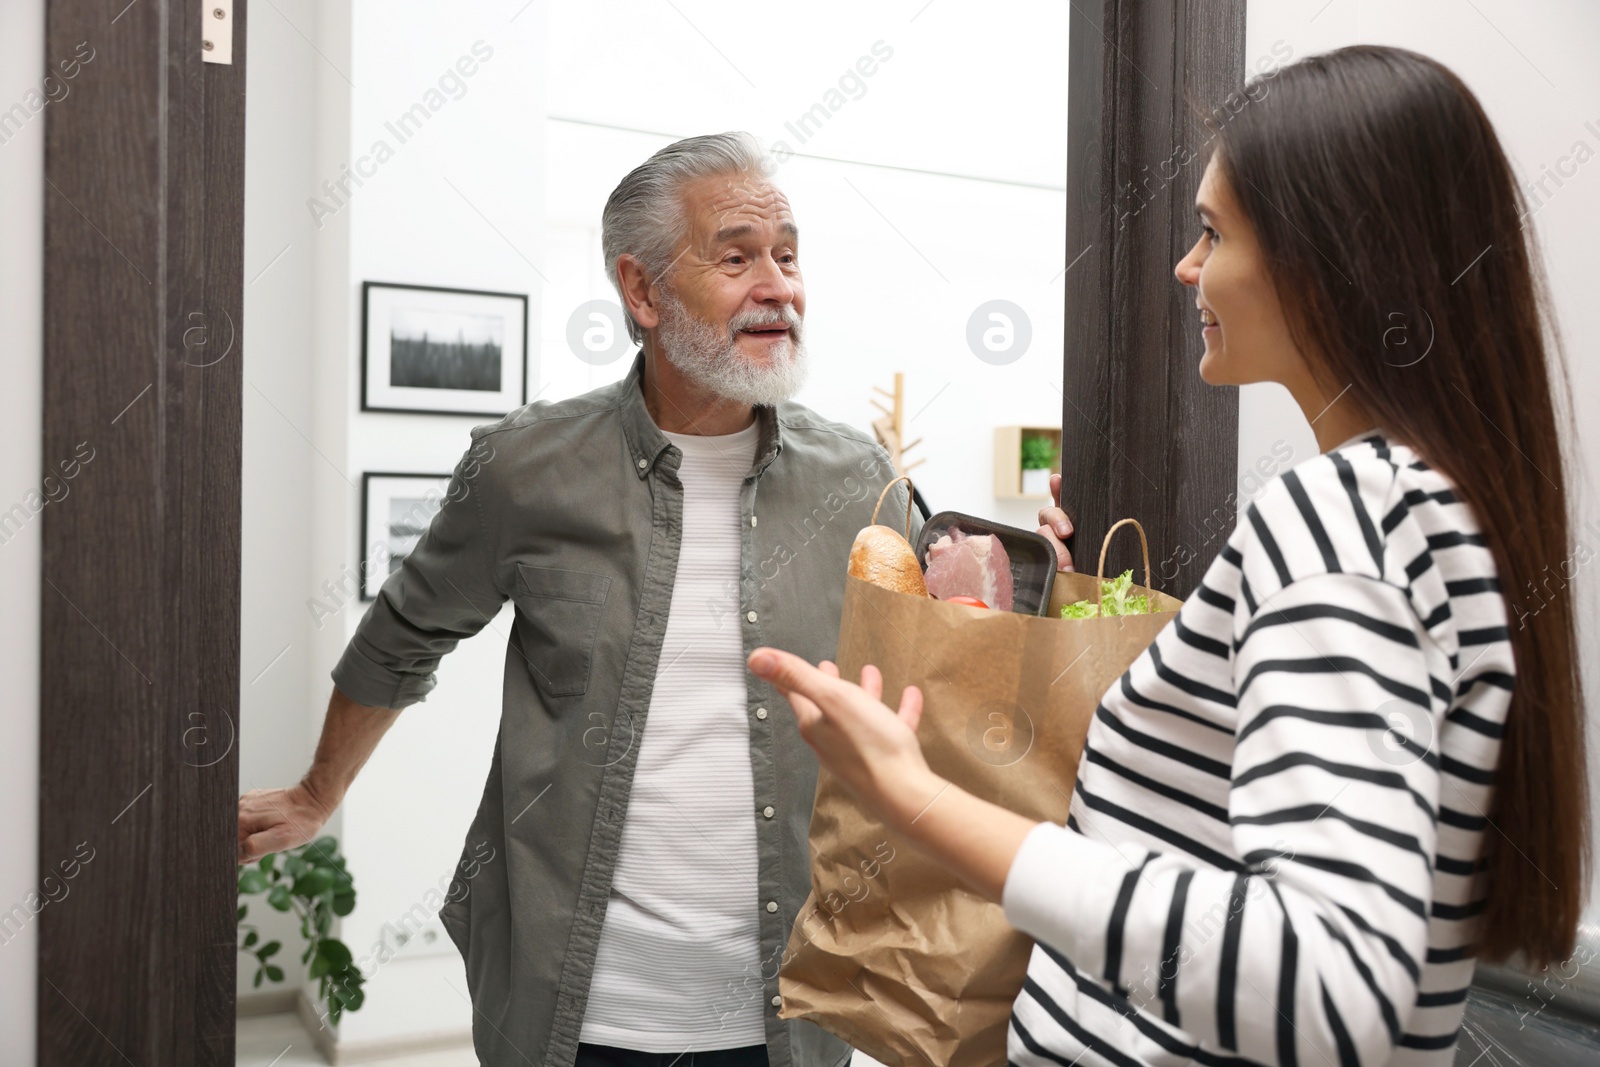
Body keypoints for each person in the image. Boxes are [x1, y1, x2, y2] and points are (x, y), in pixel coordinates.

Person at [750, 45, 1588, 1066]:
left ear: (1331, 255)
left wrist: (914, 796)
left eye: (1211, 230)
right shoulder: (1427, 508)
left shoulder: (1338, 513)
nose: (1187, 267)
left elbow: (1327, 985)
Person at [238, 132, 922, 1067]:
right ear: (641, 291)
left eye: (788, 255)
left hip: (790, 1012)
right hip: (574, 1012)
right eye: (736, 256)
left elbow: (939, 656)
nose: (779, 285)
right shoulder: (528, 467)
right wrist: (320, 792)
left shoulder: (859, 478)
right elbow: (405, 631)